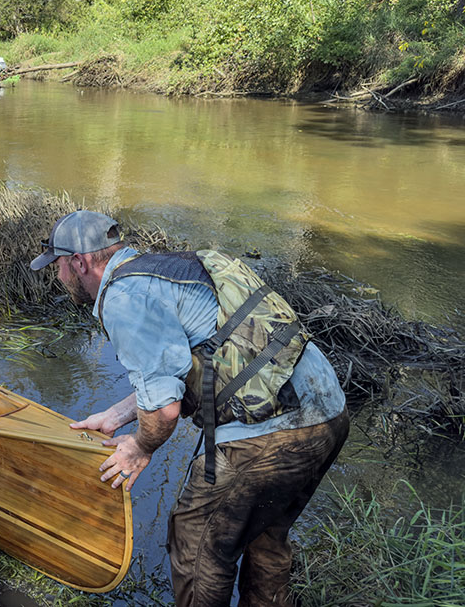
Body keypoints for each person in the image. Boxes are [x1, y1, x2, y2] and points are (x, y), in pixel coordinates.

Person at [30, 210, 348, 607]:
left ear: (79, 262)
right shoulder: (169, 268)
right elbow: (181, 367)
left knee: (197, 543)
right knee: (265, 534)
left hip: (270, 432)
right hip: (327, 409)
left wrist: (141, 447)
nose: (59, 277)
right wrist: (115, 417)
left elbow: (164, 411)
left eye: (58, 266)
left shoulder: (124, 296)